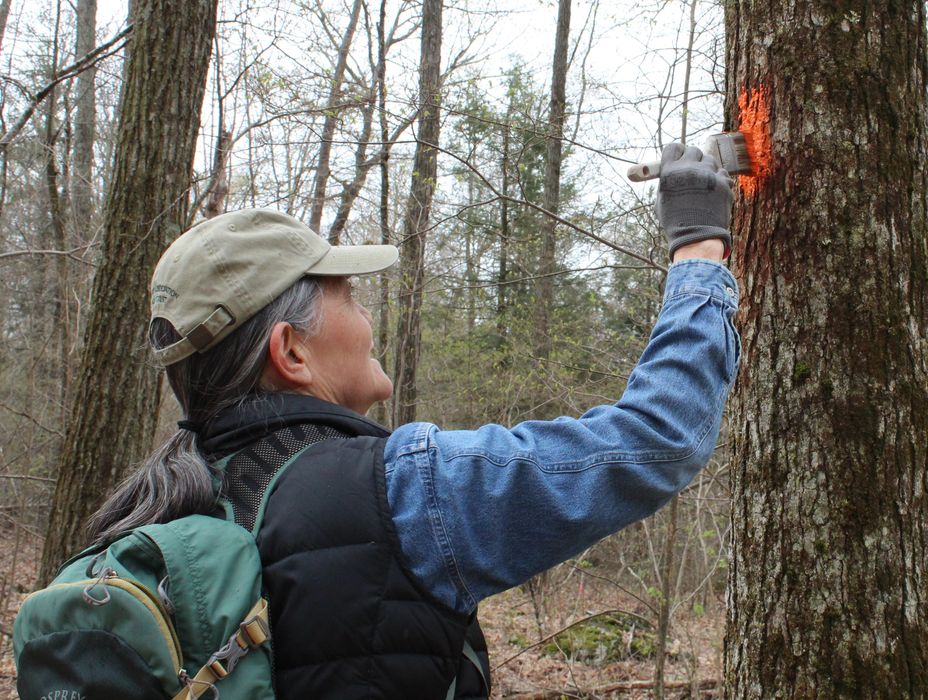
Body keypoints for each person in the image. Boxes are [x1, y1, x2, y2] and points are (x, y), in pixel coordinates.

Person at [87, 142, 739, 698]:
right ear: (289, 350)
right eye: (349, 297)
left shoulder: (139, 515)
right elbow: (655, 439)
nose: (367, 317)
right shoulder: (402, 490)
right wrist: (697, 257)